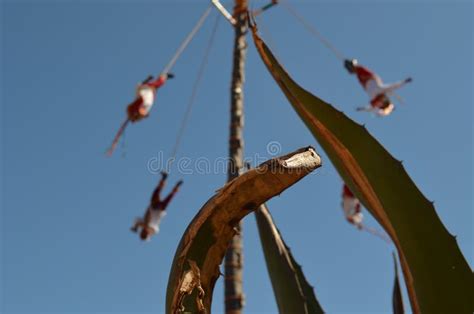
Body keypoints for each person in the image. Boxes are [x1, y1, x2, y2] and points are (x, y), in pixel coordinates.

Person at [344, 59, 412, 116]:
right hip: (370, 77)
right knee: (359, 69)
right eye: (384, 100)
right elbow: (393, 86)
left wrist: (362, 109)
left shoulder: (374, 99)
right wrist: (404, 82)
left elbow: (371, 109)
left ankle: (351, 67)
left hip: (364, 82)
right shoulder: (381, 90)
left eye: (382, 102)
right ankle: (353, 64)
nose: (383, 99)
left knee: (357, 73)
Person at [131, 171, 183, 241]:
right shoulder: (154, 230)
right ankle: (176, 187)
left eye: (142, 233)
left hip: (153, 206)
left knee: (157, 192)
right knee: (170, 196)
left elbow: (137, 221)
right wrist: (138, 226)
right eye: (145, 234)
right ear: (148, 235)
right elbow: (148, 226)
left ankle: (164, 178)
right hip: (160, 210)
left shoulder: (141, 223)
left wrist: (135, 227)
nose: (144, 232)